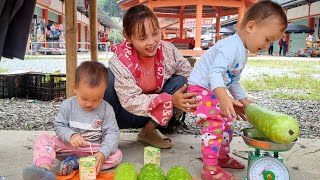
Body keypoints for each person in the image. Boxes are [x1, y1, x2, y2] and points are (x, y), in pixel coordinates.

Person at [187, 1, 287, 179]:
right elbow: (214, 72)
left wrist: (245, 101)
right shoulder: (230, 47)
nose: (266, 47)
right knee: (215, 125)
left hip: (214, 90)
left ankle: (222, 157)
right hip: (200, 89)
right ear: (251, 26)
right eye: (267, 39)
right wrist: (224, 97)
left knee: (228, 122)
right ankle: (209, 169)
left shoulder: (242, 51)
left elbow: (233, 81)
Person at [104, 4, 200, 149]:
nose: (152, 42)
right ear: (127, 37)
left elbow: (191, 75)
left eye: (155, 33)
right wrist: (170, 100)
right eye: (142, 38)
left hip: (151, 116)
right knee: (106, 78)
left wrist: (218, 97)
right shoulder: (120, 61)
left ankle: (149, 131)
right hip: (122, 115)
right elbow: (130, 101)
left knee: (182, 82)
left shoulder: (168, 50)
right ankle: (105, 134)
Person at [23, 61, 122, 180]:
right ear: (75, 88)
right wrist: (71, 135)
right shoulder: (68, 105)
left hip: (92, 150)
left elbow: (112, 133)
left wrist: (102, 153)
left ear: (104, 91)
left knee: (116, 155)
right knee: (43, 139)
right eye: (84, 98)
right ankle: (43, 171)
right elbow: (59, 126)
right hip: (67, 146)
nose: (89, 104)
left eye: (97, 99)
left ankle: (76, 163)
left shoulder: (107, 109)